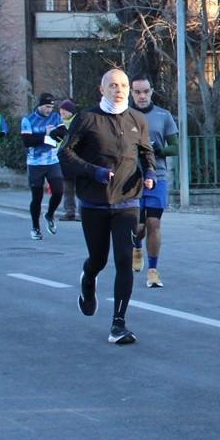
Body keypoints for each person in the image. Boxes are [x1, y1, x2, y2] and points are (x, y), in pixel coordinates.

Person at [60, 69, 156, 344]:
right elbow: (65, 153)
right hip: (95, 202)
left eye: (123, 85)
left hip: (128, 201)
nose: (119, 90)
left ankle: (118, 324)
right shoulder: (87, 119)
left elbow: (146, 152)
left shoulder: (137, 119)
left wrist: (149, 173)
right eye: (113, 85)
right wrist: (94, 172)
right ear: (102, 90)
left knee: (124, 260)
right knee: (99, 259)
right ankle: (88, 279)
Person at [128, 75, 180, 288]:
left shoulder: (163, 116)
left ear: (151, 92)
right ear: (131, 93)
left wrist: (158, 150)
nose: (142, 96)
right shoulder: (124, 115)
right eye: (137, 92)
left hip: (157, 176)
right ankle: (136, 246)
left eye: (145, 91)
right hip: (131, 178)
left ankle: (153, 271)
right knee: (139, 226)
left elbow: (175, 147)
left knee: (153, 223)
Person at [19, 92, 67, 240]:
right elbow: (27, 141)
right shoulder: (28, 120)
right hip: (35, 163)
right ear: (40, 105)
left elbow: (63, 132)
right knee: (37, 197)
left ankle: (50, 214)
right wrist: (45, 137)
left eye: (51, 107)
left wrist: (55, 133)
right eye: (46, 107)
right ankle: (35, 228)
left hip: (52, 161)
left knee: (59, 191)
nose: (49, 110)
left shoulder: (55, 117)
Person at [56, 100, 80, 222]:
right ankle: (69, 212)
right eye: (61, 110)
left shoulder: (78, 122)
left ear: (71, 112)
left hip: (76, 159)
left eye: (65, 110)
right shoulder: (59, 123)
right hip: (63, 160)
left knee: (80, 188)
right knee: (67, 188)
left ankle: (81, 213)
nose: (62, 112)